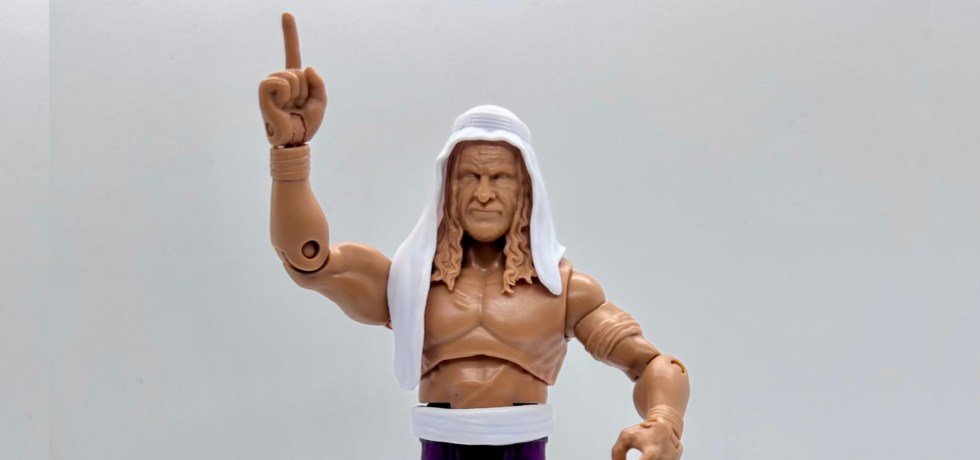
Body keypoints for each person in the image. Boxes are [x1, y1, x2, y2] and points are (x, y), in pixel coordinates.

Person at [259, 13, 690, 460]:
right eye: (469, 176)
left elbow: (650, 364)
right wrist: (289, 152)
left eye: (500, 177)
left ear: (525, 191)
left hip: (523, 447)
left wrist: (663, 421)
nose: (484, 194)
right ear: (448, 188)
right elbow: (307, 259)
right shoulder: (409, 283)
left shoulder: (563, 290)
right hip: (440, 445)